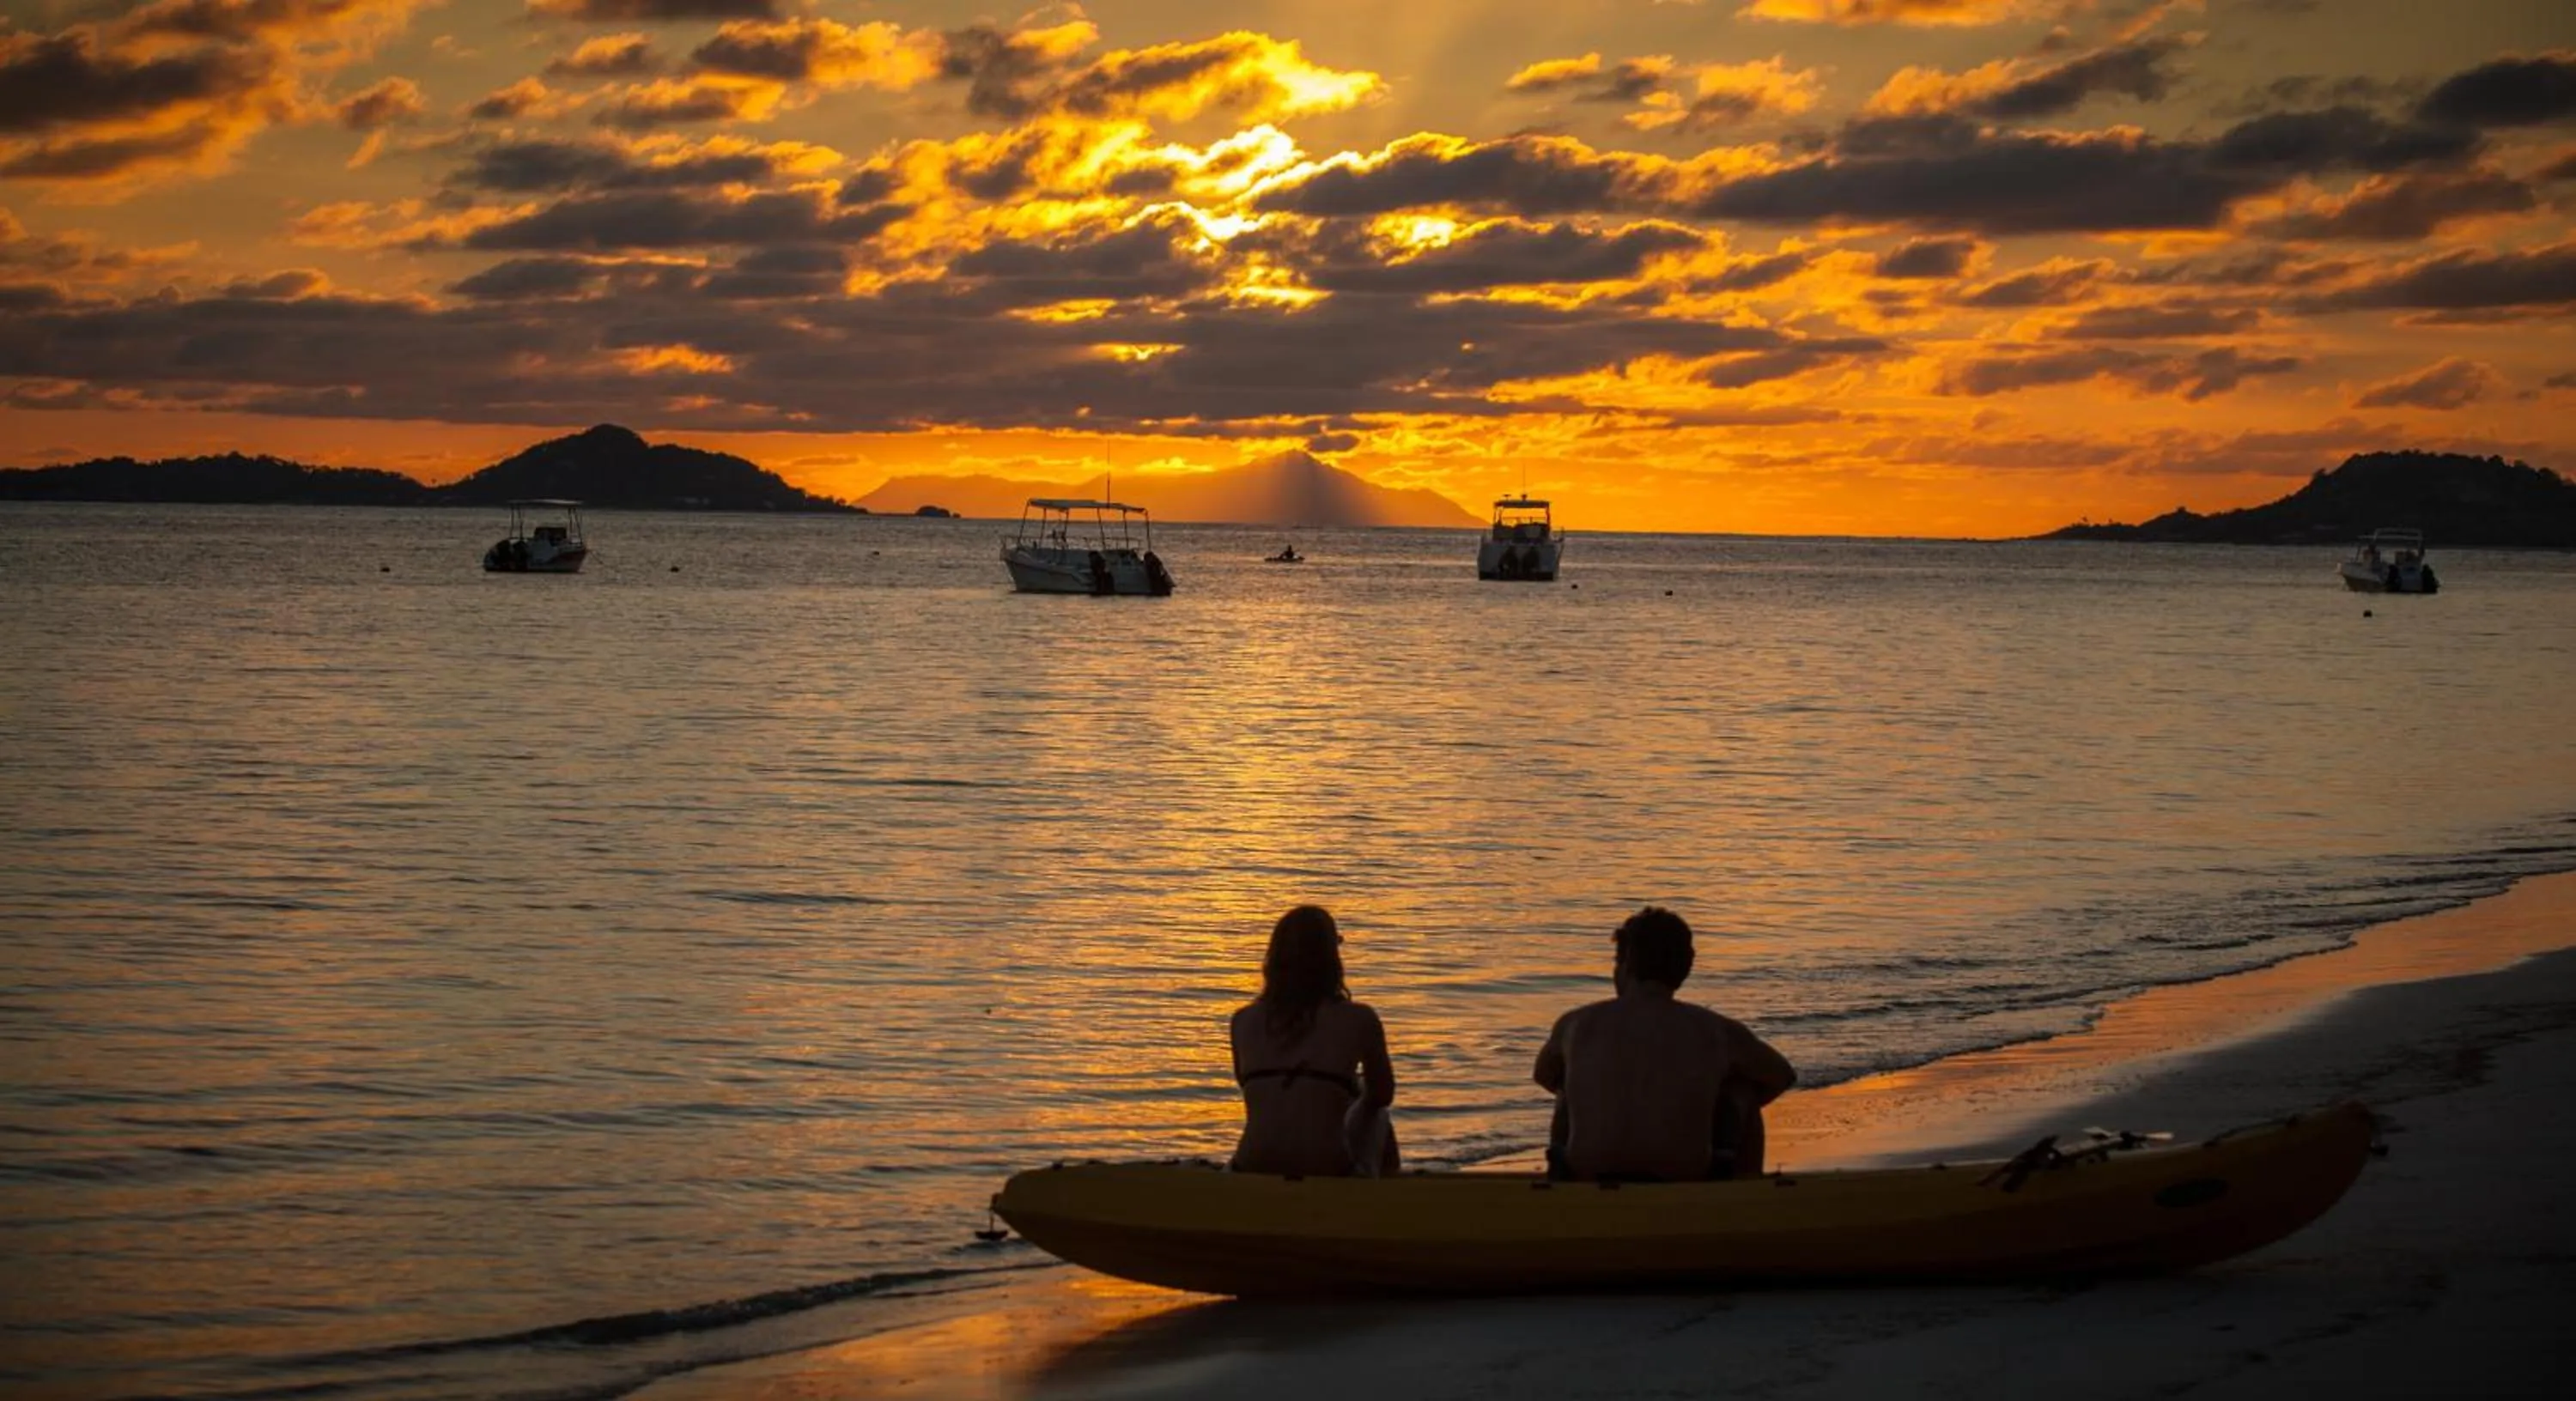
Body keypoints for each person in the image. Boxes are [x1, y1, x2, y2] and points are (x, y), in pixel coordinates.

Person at [1534, 906, 1795, 1181]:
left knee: (1565, 1081)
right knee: (1742, 1088)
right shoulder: (1718, 1031)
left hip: (1587, 1169)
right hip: (1683, 1171)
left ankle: (1558, 1183)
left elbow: (1543, 1076)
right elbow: (1781, 1076)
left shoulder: (1575, 1024)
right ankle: (1744, 1185)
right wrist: (1712, 1102)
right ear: (1686, 966)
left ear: (1624, 964)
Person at [1230, 905, 1400, 1177]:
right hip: (1328, 1168)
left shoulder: (1242, 1020)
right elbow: (1383, 1095)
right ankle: (1389, 1190)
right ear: (1332, 958)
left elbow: (1254, 1088)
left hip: (1251, 1164)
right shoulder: (1359, 1018)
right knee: (1377, 1112)